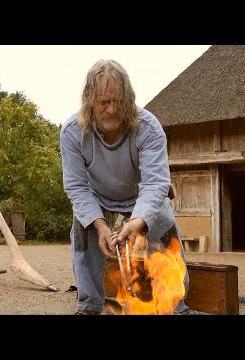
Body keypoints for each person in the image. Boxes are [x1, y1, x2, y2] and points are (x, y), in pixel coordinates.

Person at [60, 59, 189, 315]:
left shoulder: (149, 128)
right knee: (82, 232)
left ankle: (176, 305)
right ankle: (90, 305)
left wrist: (138, 220)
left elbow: (155, 184)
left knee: (165, 229)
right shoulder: (72, 132)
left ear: (129, 99)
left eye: (118, 101)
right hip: (98, 196)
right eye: (103, 102)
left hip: (141, 195)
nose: (111, 109)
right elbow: (76, 187)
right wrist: (99, 225)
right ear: (89, 102)